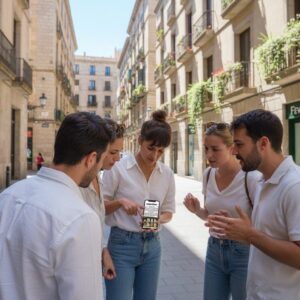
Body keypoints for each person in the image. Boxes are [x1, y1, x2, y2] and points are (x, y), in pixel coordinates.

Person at [0, 112, 114, 300]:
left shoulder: (8, 196)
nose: (99, 169)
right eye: (101, 162)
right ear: (91, 158)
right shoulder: (81, 218)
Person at [207, 109, 300, 299]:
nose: (234, 151)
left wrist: (250, 235)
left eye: (239, 144)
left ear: (263, 143)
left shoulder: (294, 186)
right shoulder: (262, 182)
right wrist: (236, 229)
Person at [102, 110, 176, 300]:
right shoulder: (117, 168)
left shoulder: (166, 174)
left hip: (153, 245)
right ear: (139, 140)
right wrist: (120, 203)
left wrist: (158, 219)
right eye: (151, 148)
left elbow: (168, 211)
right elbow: (99, 207)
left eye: (160, 151)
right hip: (121, 245)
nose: (155, 155)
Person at [183, 122, 260, 300]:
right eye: (206, 148)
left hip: (244, 253)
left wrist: (244, 229)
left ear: (232, 148)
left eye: (215, 149)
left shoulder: (251, 177)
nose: (209, 155)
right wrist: (197, 210)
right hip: (214, 249)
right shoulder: (208, 174)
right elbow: (210, 217)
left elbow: (264, 224)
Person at [79, 118, 125, 280]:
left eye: (120, 152)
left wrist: (104, 252)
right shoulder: (78, 184)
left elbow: (96, 224)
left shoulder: (98, 177)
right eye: (113, 152)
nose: (118, 158)